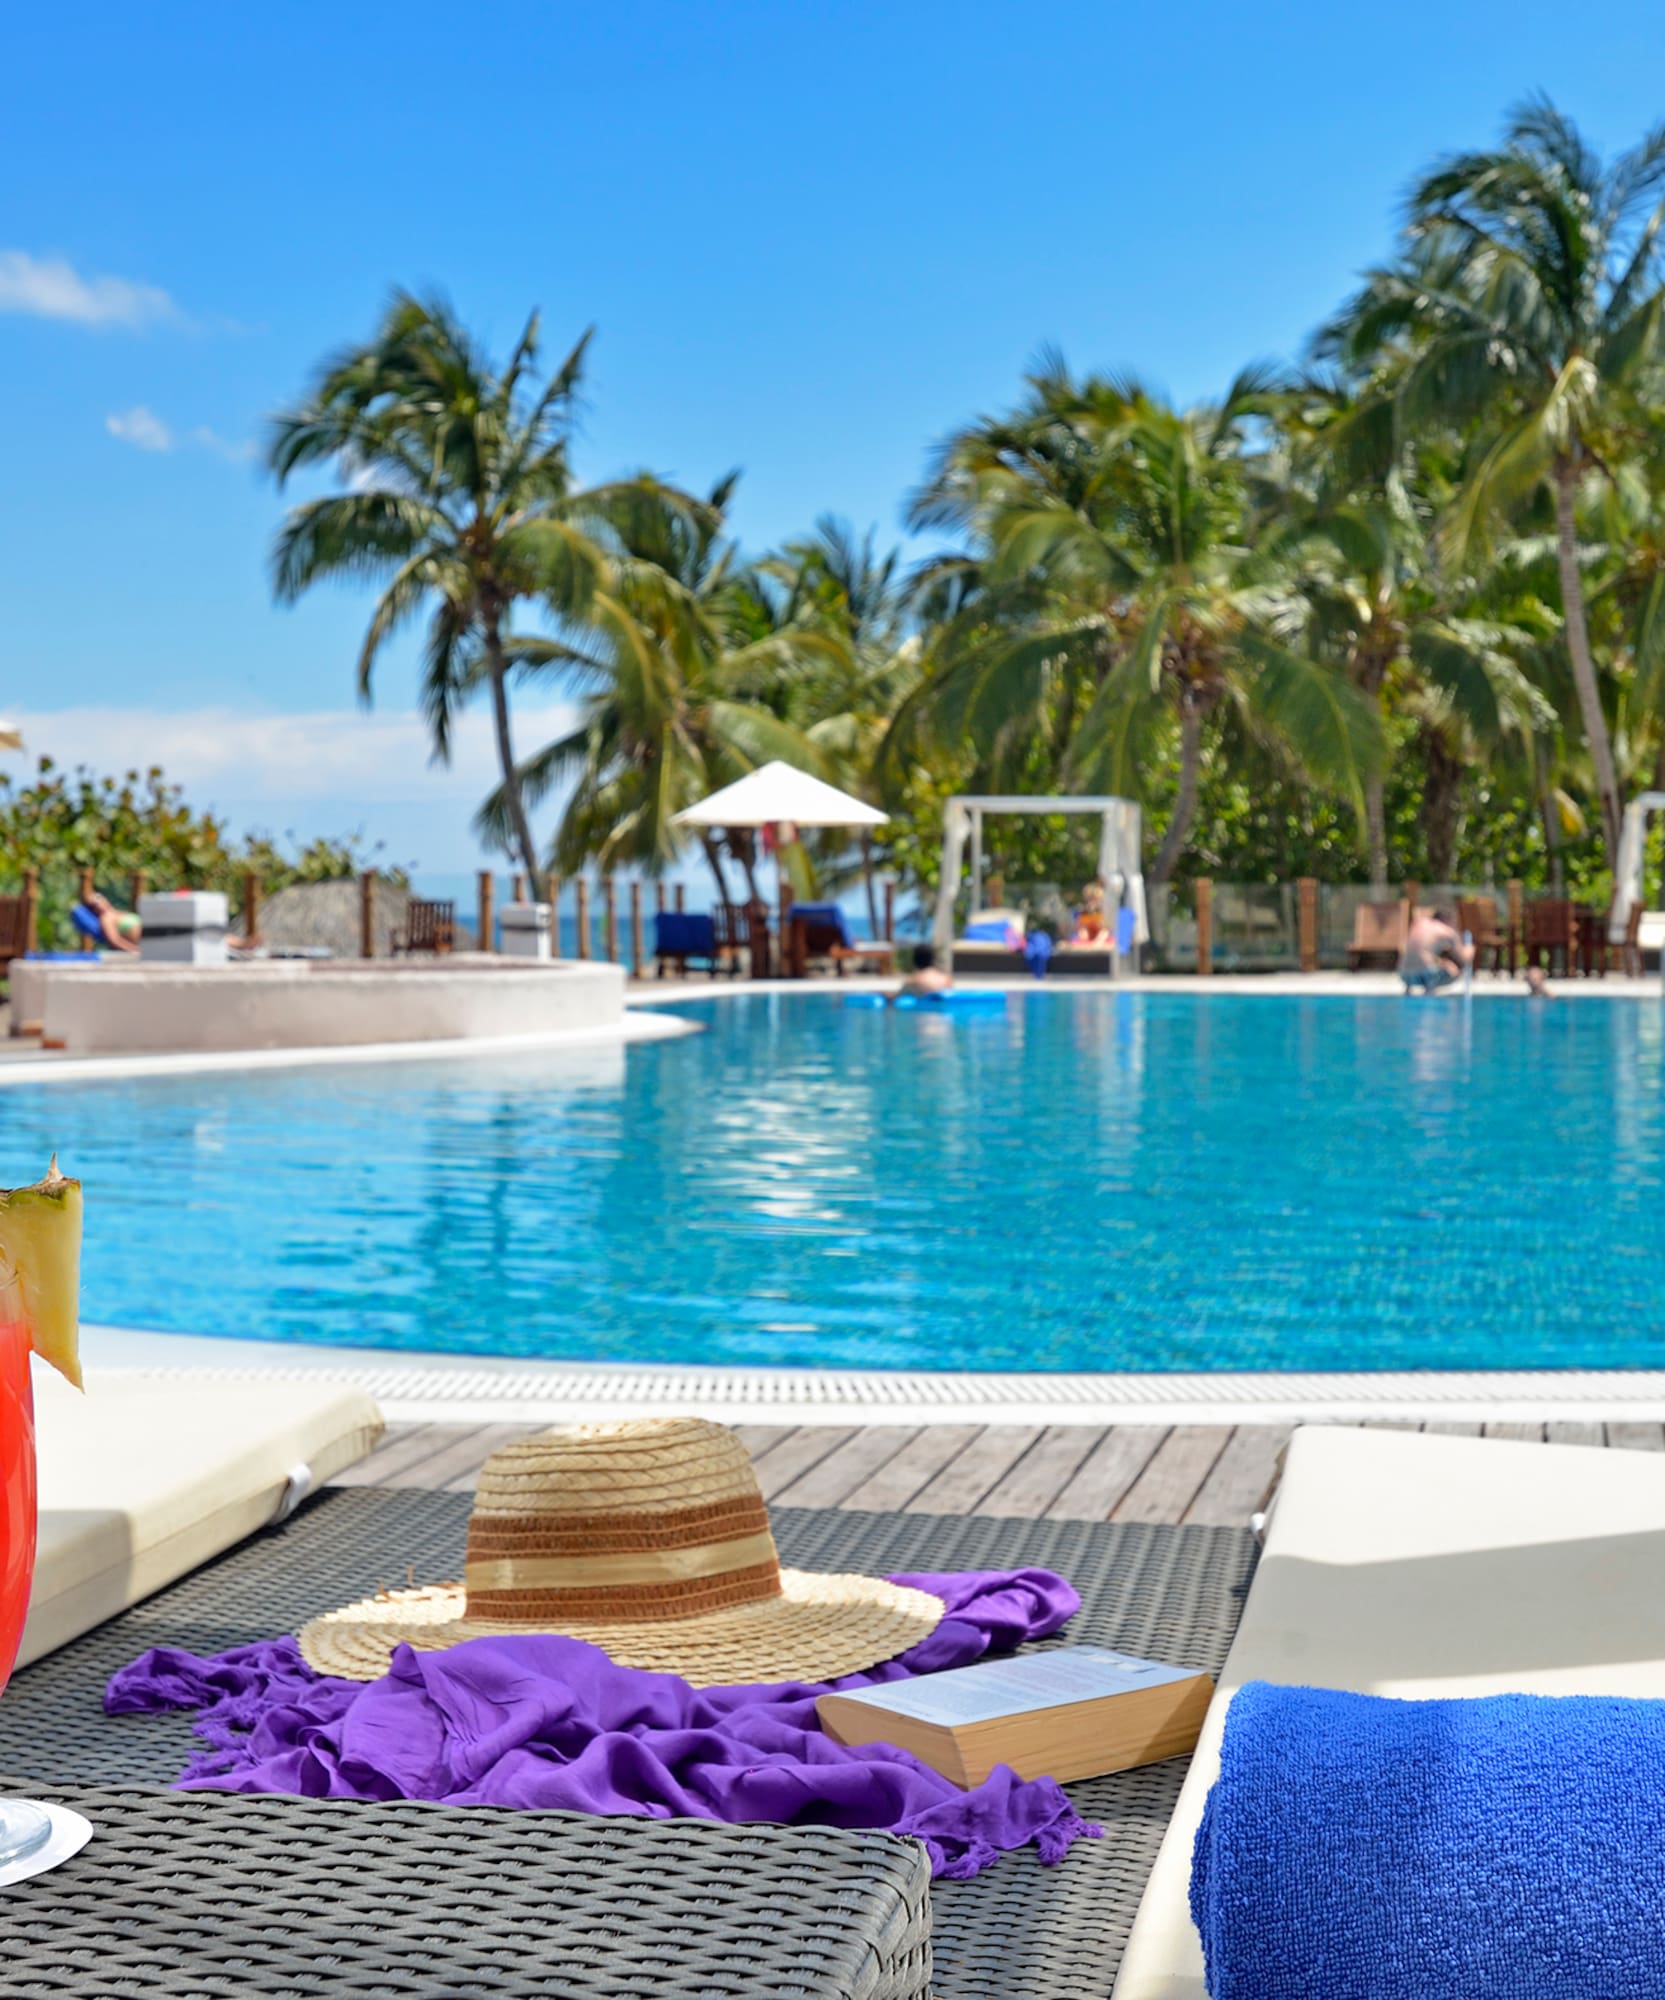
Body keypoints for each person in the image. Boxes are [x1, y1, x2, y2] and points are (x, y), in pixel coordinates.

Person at [1399, 907, 1474, 995]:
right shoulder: (1447, 931)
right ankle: (1430, 988)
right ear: (1447, 919)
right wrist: (1470, 948)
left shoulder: (1419, 924)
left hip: (1404, 975)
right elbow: (1464, 958)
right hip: (1427, 975)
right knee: (1454, 972)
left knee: (1441, 965)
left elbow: (1423, 952)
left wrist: (1442, 962)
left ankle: (1409, 989)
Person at [85, 889, 140, 954]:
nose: (97, 904)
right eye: (93, 905)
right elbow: (114, 941)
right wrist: (135, 950)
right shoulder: (106, 918)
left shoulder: (118, 912)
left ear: (104, 898)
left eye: (98, 898)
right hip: (142, 947)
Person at [1072, 878, 1109, 946]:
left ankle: (1096, 943)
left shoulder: (1103, 911)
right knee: (1083, 929)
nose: (1092, 902)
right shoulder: (1082, 911)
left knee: (1104, 930)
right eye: (1089, 899)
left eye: (1095, 899)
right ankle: (1085, 943)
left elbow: (1106, 929)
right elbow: (1078, 928)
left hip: (1101, 938)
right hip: (1086, 938)